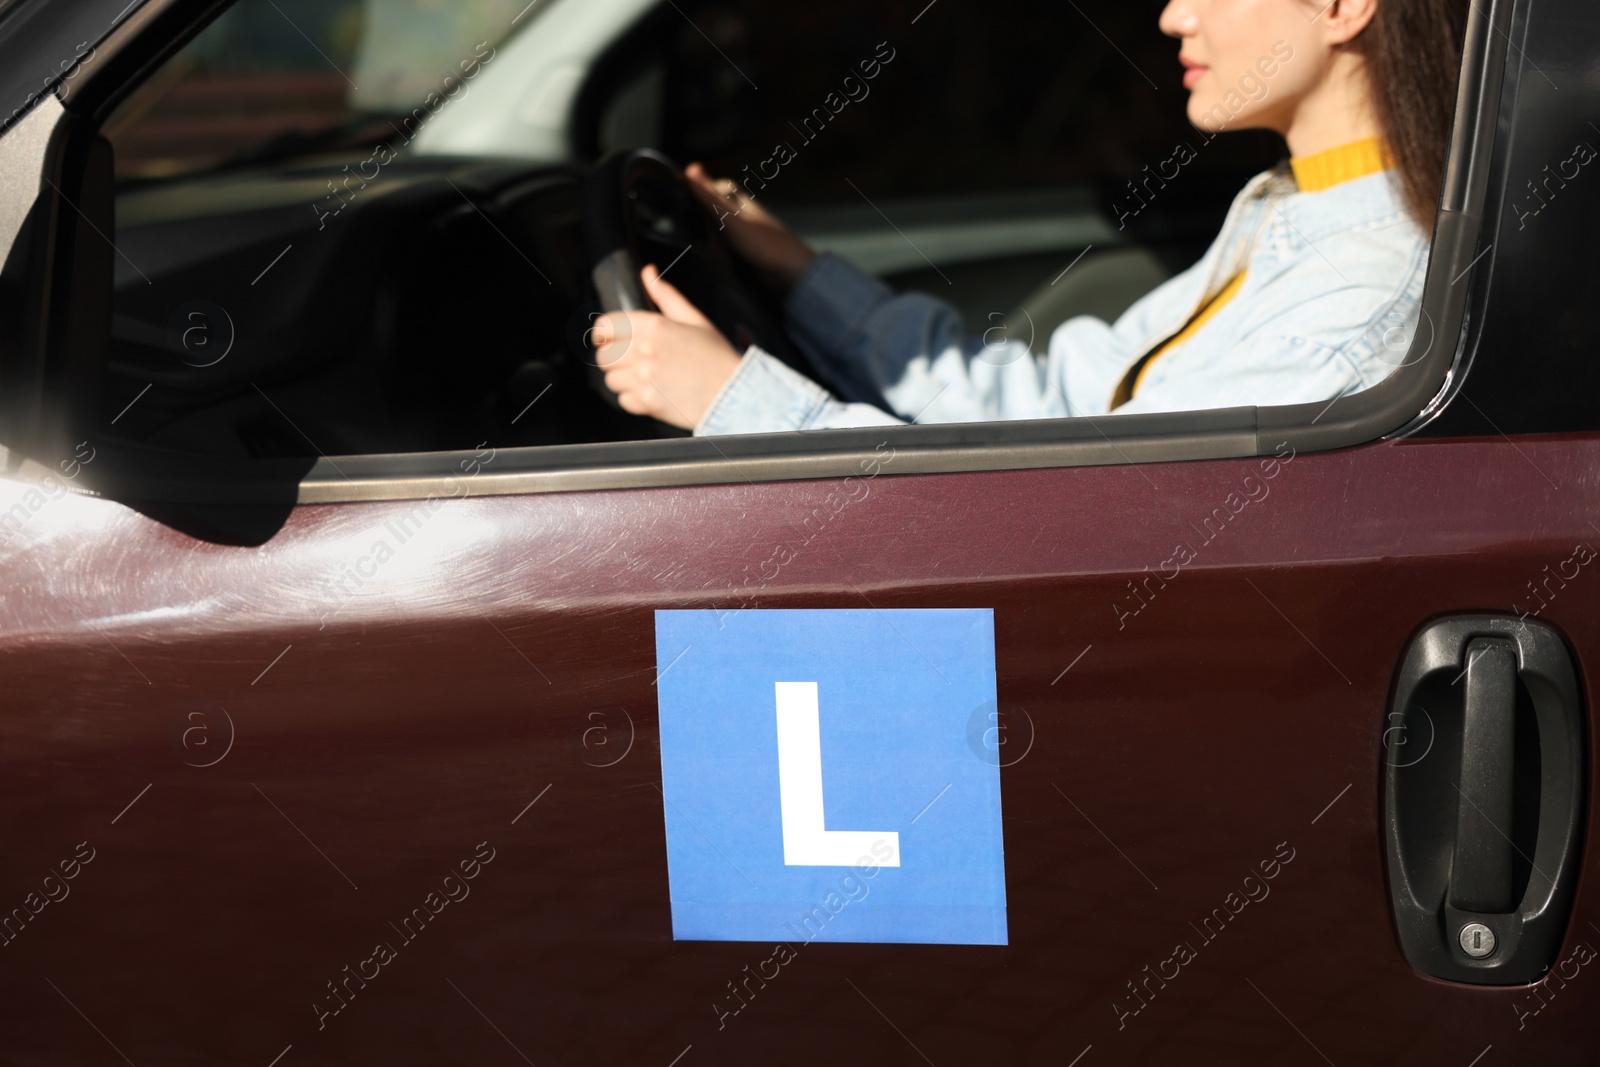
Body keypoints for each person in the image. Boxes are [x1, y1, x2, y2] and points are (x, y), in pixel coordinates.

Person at [592, 0, 1468, 436]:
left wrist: (733, 400)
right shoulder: (1292, 208)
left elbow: (1077, 534)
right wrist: (801, 274)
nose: (1172, 14)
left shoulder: (1358, 298)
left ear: (1346, 7)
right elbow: (1053, 406)